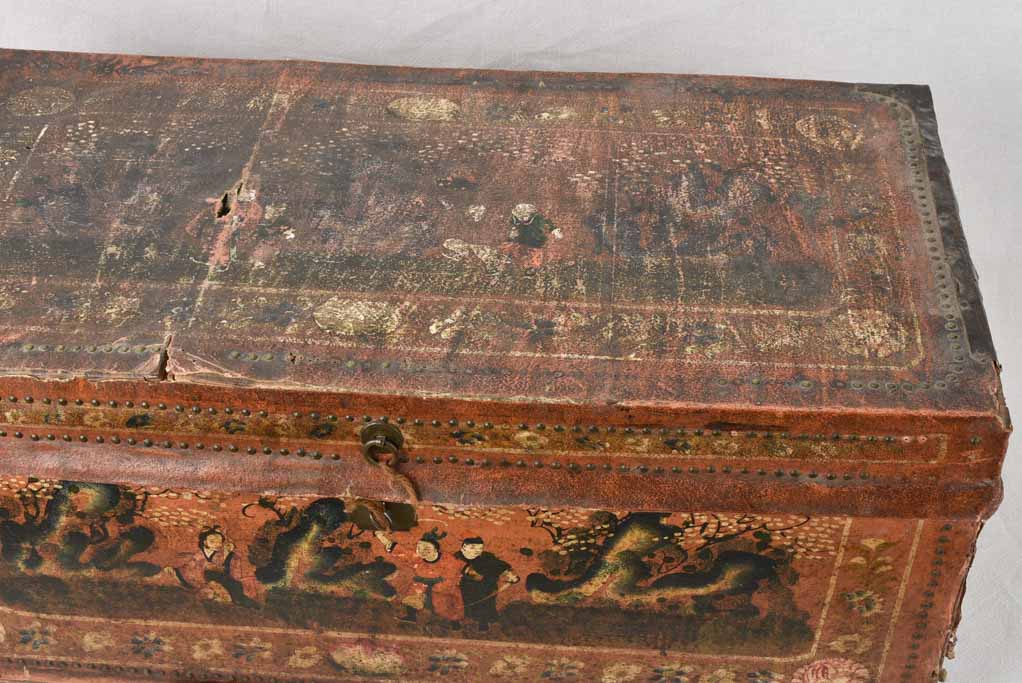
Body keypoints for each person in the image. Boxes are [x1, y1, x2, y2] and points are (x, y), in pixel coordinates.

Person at [400, 529, 462, 625]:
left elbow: (451, 575)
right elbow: (404, 553)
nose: (422, 551)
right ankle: (411, 616)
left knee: (446, 604)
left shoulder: (447, 558)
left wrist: (433, 581)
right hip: (423, 585)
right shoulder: (418, 558)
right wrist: (382, 538)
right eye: (419, 548)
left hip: (443, 586)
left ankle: (454, 622)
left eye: (427, 549)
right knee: (414, 592)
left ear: (435, 549)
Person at [456, 537, 519, 631]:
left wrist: (510, 574)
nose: (477, 551)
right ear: (464, 547)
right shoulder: (456, 557)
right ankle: (457, 622)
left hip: (485, 588)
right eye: (473, 547)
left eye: (480, 548)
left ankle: (483, 622)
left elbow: (500, 566)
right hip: (464, 588)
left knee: (485, 604)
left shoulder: (487, 557)